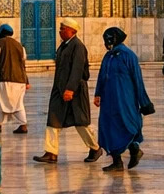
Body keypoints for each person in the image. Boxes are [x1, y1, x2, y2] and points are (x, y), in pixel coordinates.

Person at [33, 17, 97, 165]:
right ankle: (51, 153)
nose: (60, 31)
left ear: (71, 31)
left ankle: (95, 148)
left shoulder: (78, 46)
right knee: (53, 119)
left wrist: (70, 89)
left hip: (74, 90)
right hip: (59, 89)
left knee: (80, 122)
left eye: (63, 29)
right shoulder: (64, 46)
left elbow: (77, 69)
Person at [94, 27, 151, 172]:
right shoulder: (108, 56)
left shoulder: (128, 56)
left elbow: (137, 79)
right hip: (108, 100)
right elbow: (102, 76)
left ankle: (134, 150)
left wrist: (144, 102)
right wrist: (98, 93)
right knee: (109, 127)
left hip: (125, 99)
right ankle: (117, 161)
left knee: (127, 124)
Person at [0, 23, 29, 134]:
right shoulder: (20, 46)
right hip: (19, 81)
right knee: (18, 104)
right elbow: (22, 64)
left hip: (2, 80)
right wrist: (26, 81)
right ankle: (23, 125)